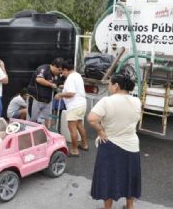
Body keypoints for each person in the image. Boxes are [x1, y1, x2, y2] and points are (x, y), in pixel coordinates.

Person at [87, 72, 141, 209]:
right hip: (132, 145)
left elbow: (92, 119)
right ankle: (129, 206)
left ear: (116, 86)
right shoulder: (136, 100)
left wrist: (100, 131)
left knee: (109, 178)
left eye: (110, 83)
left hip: (110, 144)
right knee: (130, 177)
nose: (109, 86)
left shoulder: (107, 101)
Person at [54, 60, 88, 156]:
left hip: (74, 106)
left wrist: (60, 95)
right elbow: (75, 88)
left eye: (62, 71)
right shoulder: (77, 75)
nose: (62, 73)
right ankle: (84, 145)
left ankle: (74, 150)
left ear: (66, 69)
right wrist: (64, 86)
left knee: (72, 128)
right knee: (79, 125)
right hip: (82, 104)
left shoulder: (70, 78)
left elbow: (71, 93)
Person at [27, 57, 64, 128]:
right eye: (59, 70)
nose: (60, 72)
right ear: (54, 66)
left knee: (48, 119)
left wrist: (65, 86)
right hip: (36, 99)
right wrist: (51, 84)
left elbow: (58, 84)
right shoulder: (44, 68)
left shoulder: (57, 75)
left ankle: (47, 134)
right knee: (32, 120)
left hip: (48, 101)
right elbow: (39, 79)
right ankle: (31, 136)